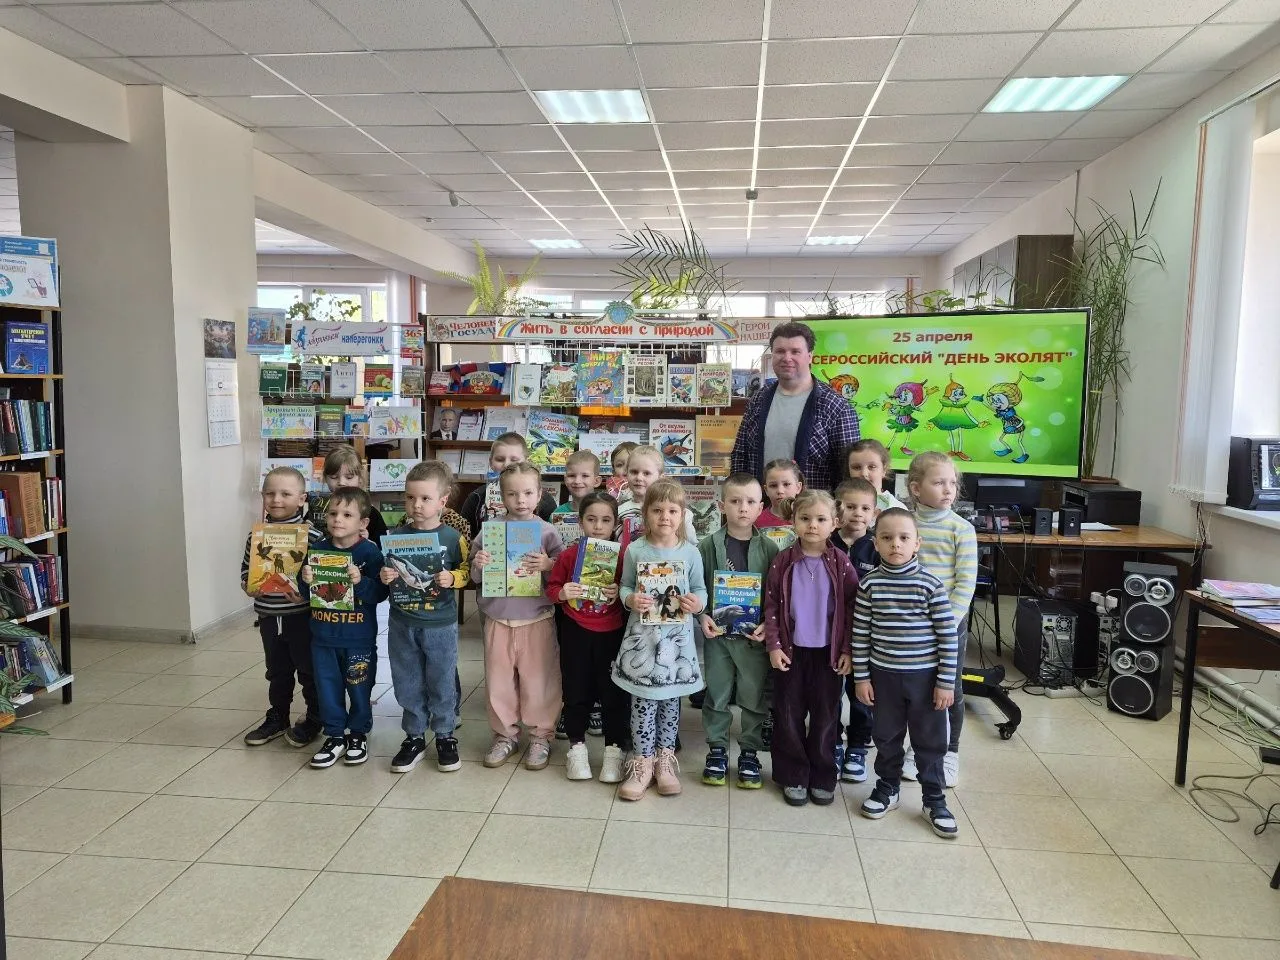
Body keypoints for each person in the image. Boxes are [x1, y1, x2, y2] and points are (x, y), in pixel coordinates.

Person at [852, 508, 959, 839]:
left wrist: (945, 683)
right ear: (875, 543)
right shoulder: (869, 584)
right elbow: (860, 634)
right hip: (884, 678)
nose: (895, 544)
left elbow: (948, 637)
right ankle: (887, 787)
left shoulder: (930, 584)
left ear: (917, 543)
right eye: (886, 538)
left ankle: (934, 799)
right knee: (886, 736)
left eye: (903, 537)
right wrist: (861, 677)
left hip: (925, 680)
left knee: (930, 740)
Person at [614, 480, 707, 801]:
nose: (664, 517)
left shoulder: (691, 552)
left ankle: (665, 761)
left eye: (672, 511)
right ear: (645, 514)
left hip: (677, 644)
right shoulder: (635, 550)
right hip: (643, 640)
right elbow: (625, 586)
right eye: (657, 510)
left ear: (682, 515)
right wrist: (630, 599)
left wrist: (697, 603)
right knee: (642, 702)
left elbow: (700, 589)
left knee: (670, 703)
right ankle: (642, 763)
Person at [764, 490, 857, 806]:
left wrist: (847, 650)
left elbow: (852, 609)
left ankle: (822, 775)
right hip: (790, 652)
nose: (812, 525)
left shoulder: (841, 563)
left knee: (826, 716)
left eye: (820, 519)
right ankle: (793, 774)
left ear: (835, 523)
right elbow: (771, 606)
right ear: (793, 521)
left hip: (828, 654)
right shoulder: (783, 561)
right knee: (788, 714)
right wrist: (774, 645)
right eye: (805, 518)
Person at [469, 462, 564, 770]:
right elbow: (473, 574)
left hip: (537, 619)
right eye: (512, 494)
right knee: (499, 683)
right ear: (501, 495)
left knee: (539, 682)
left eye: (527, 493)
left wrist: (548, 565)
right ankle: (504, 735)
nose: (520, 500)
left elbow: (562, 574)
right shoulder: (490, 530)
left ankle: (541, 736)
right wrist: (479, 564)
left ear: (540, 494)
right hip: (498, 620)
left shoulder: (547, 531)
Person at [379, 461, 468, 775]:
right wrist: (385, 576)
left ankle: (444, 735)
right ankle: (414, 735)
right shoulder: (395, 536)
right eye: (410, 497)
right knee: (407, 679)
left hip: (440, 624)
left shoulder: (452, 538)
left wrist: (454, 578)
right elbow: (387, 572)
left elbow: (467, 572)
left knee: (441, 680)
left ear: (442, 501)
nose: (416, 505)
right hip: (402, 622)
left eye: (425, 498)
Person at [697, 472, 780, 789]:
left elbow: (775, 595)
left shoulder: (770, 548)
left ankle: (749, 751)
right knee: (716, 694)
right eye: (734, 501)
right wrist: (702, 616)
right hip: (718, 637)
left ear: (761, 507)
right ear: (722, 506)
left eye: (750, 502)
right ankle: (717, 748)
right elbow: (697, 587)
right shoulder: (707, 546)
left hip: (752, 640)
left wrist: (768, 624)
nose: (742, 508)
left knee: (753, 696)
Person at [300, 488, 388, 769]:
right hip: (323, 637)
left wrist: (360, 582)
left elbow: (380, 593)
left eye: (347, 515)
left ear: (363, 522)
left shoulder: (370, 552)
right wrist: (305, 580)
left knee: (360, 687)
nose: (338, 519)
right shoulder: (317, 550)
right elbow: (305, 594)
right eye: (333, 513)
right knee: (327, 688)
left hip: (358, 638)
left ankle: (358, 733)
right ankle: (335, 735)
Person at [905, 452, 977, 788]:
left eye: (952, 483)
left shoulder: (961, 529)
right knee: (916, 689)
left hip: (948, 624)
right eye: (939, 483)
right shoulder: (905, 525)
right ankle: (916, 749)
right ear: (916, 488)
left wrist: (947, 623)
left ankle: (950, 752)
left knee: (949, 688)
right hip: (909, 623)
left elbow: (966, 583)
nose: (949, 490)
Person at [546, 491, 629, 783]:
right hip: (576, 631)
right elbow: (551, 589)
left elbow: (631, 591)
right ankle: (577, 748)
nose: (598, 526)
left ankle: (614, 752)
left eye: (605, 520)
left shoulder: (623, 556)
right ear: (581, 522)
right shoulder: (569, 555)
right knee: (576, 691)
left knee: (613, 694)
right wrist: (562, 592)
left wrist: (620, 591)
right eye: (591, 519)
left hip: (612, 632)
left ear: (615, 524)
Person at [240, 466, 323, 748]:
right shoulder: (256, 537)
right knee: (276, 671)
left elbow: (323, 578)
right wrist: (248, 585)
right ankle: (278, 716)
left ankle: (315, 717)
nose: (276, 500)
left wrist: (307, 592)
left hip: (301, 618)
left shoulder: (313, 537)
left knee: (308, 670)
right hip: (268, 616)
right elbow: (246, 570)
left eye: (285, 494)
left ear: (302, 499)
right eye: (270, 493)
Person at [730, 321, 860, 492]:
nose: (787, 358)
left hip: (812, 506)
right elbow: (740, 455)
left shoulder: (836, 406)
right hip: (762, 505)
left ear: (810, 356)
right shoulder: (758, 400)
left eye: (795, 351)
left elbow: (848, 470)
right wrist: (738, 494)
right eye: (780, 351)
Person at [550, 449, 605, 740]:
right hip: (567, 598)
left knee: (598, 656)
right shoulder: (557, 514)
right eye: (571, 475)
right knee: (570, 657)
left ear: (597, 479)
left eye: (585, 475)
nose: (577, 480)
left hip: (599, 599)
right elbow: (552, 553)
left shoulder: (605, 509)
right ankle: (570, 706)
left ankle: (596, 705)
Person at [830, 478, 880, 783]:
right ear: (837, 510)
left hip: (865, 636)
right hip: (829, 635)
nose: (857, 513)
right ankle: (833, 742)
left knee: (862, 694)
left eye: (865, 508)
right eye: (850, 507)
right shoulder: (826, 542)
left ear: (874, 513)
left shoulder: (877, 547)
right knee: (830, 694)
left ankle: (858, 746)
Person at [460, 432, 557, 536]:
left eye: (514, 460)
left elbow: (553, 538)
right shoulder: (477, 498)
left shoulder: (544, 500)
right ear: (491, 462)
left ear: (526, 461)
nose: (506, 464)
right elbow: (465, 538)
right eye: (500, 459)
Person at [615, 444, 697, 547]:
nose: (639, 477)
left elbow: (691, 546)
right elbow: (615, 544)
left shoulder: (676, 512)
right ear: (626, 473)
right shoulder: (620, 511)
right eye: (634, 472)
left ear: (661, 477)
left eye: (646, 473)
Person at [310, 445, 388, 545]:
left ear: (360, 478)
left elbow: (383, 548)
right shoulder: (317, 505)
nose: (341, 482)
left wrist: (366, 541)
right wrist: (306, 530)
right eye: (334, 477)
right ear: (325, 478)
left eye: (349, 477)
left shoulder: (371, 513)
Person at [844, 439, 907, 512]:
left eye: (872, 467)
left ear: (884, 470)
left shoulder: (897, 509)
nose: (864, 474)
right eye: (857, 467)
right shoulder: (839, 507)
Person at [757, 458, 803, 529]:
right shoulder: (757, 520)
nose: (780, 491)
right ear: (766, 490)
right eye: (773, 485)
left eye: (786, 484)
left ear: (798, 487)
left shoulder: (808, 518)